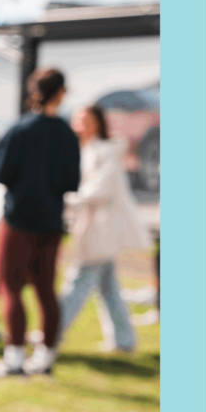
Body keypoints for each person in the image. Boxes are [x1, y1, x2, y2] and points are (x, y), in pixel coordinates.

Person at [0, 68, 80, 377]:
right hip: (51, 222)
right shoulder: (67, 134)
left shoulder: (20, 129)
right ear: (61, 92)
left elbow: (0, 174)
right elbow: (72, 181)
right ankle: (45, 356)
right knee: (46, 290)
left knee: (11, 287)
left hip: (18, 220)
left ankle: (14, 357)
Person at [57, 104, 151, 353]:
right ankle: (124, 340)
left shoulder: (106, 151)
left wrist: (65, 199)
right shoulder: (85, 149)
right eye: (78, 120)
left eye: (85, 120)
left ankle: (51, 334)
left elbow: (100, 190)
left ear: (97, 123)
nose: (80, 125)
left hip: (101, 229)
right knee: (108, 287)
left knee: (78, 280)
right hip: (93, 227)